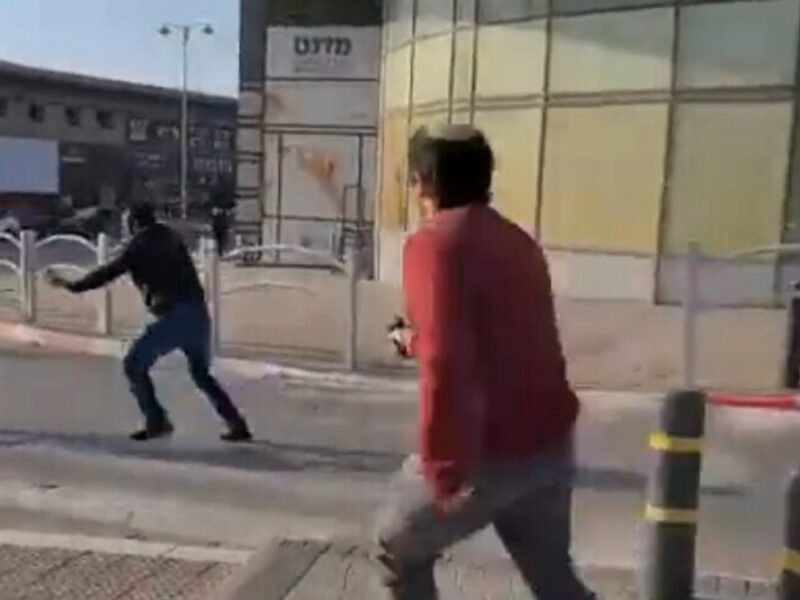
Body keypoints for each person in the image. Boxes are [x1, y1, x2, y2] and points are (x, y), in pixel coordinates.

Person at [375, 124, 595, 600]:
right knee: (554, 579)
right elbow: (497, 337)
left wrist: (443, 468)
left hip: (484, 452)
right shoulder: (519, 242)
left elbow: (447, 363)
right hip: (549, 443)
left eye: (410, 179)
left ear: (422, 181)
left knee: (396, 544)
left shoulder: (432, 244)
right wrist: (413, 340)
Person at [47, 203, 252, 443]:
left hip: (174, 317)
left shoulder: (138, 245)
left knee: (133, 364)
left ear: (134, 223)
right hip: (197, 314)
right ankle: (236, 423)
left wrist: (71, 285)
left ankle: (156, 420)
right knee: (201, 374)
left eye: (126, 223)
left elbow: (108, 272)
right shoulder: (170, 236)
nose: (124, 229)